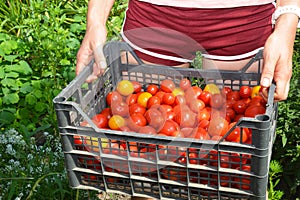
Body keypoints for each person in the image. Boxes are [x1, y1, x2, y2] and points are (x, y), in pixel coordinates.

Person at [76, 0, 299, 102]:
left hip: (241, 17)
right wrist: (96, 21)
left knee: (237, 152)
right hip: (154, 14)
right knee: (144, 152)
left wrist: (287, 24)